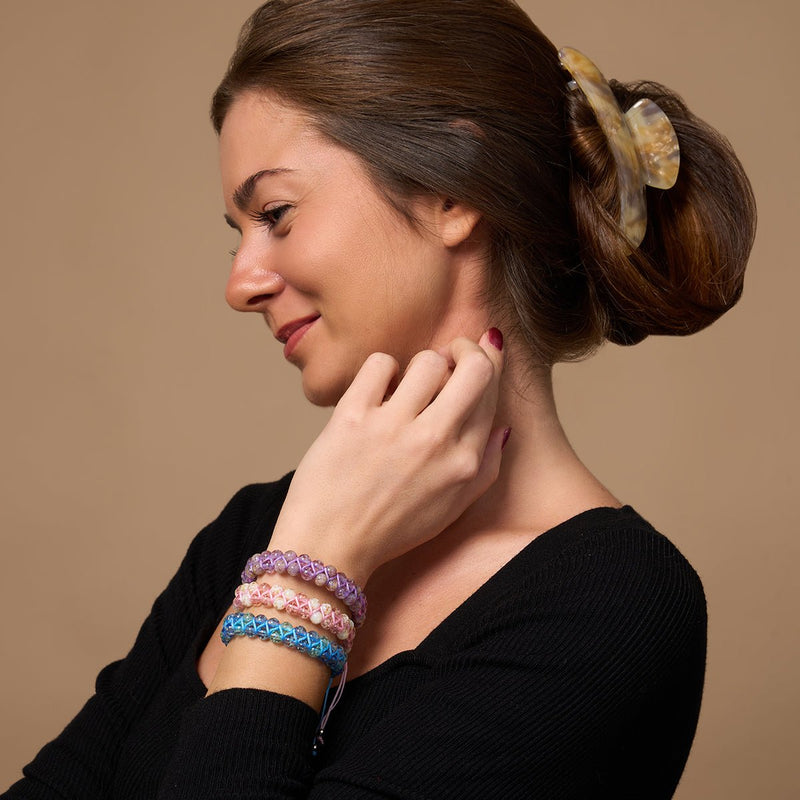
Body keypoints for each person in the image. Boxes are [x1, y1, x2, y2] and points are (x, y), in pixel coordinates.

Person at [2, 0, 755, 798]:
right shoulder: (253, 534)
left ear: (449, 192)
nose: (239, 284)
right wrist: (305, 550)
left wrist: (308, 580)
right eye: (237, 233)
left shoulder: (615, 606)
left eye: (276, 215)